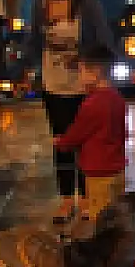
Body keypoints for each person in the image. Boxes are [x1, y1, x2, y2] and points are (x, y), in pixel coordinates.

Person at [25, 0, 117, 224]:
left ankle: (87, 196)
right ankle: (66, 198)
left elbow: (104, 39)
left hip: (83, 84)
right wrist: (27, 70)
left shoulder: (87, 3)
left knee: (85, 140)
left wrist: (88, 61)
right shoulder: (40, 1)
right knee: (61, 140)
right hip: (53, 83)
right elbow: (34, 40)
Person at [53, 46, 126, 220]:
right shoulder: (116, 98)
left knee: (99, 215)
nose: (79, 77)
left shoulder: (92, 104)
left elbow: (79, 131)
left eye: (81, 71)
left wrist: (62, 142)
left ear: (95, 73)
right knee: (115, 211)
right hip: (116, 167)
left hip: (98, 169)